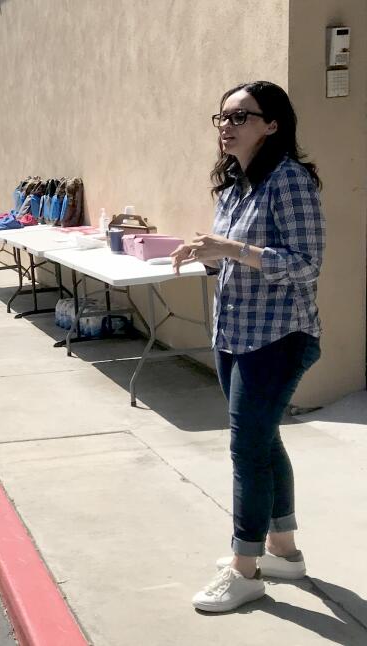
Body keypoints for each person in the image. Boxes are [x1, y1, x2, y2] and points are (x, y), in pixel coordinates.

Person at [169, 81, 325, 613]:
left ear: (272, 124)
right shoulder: (238, 184)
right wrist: (207, 254)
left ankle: (245, 567)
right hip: (235, 334)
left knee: (247, 449)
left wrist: (231, 247)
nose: (227, 126)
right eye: (222, 118)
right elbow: (235, 260)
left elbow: (306, 265)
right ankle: (283, 549)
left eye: (240, 116)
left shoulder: (290, 181)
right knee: (263, 440)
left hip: (279, 337)